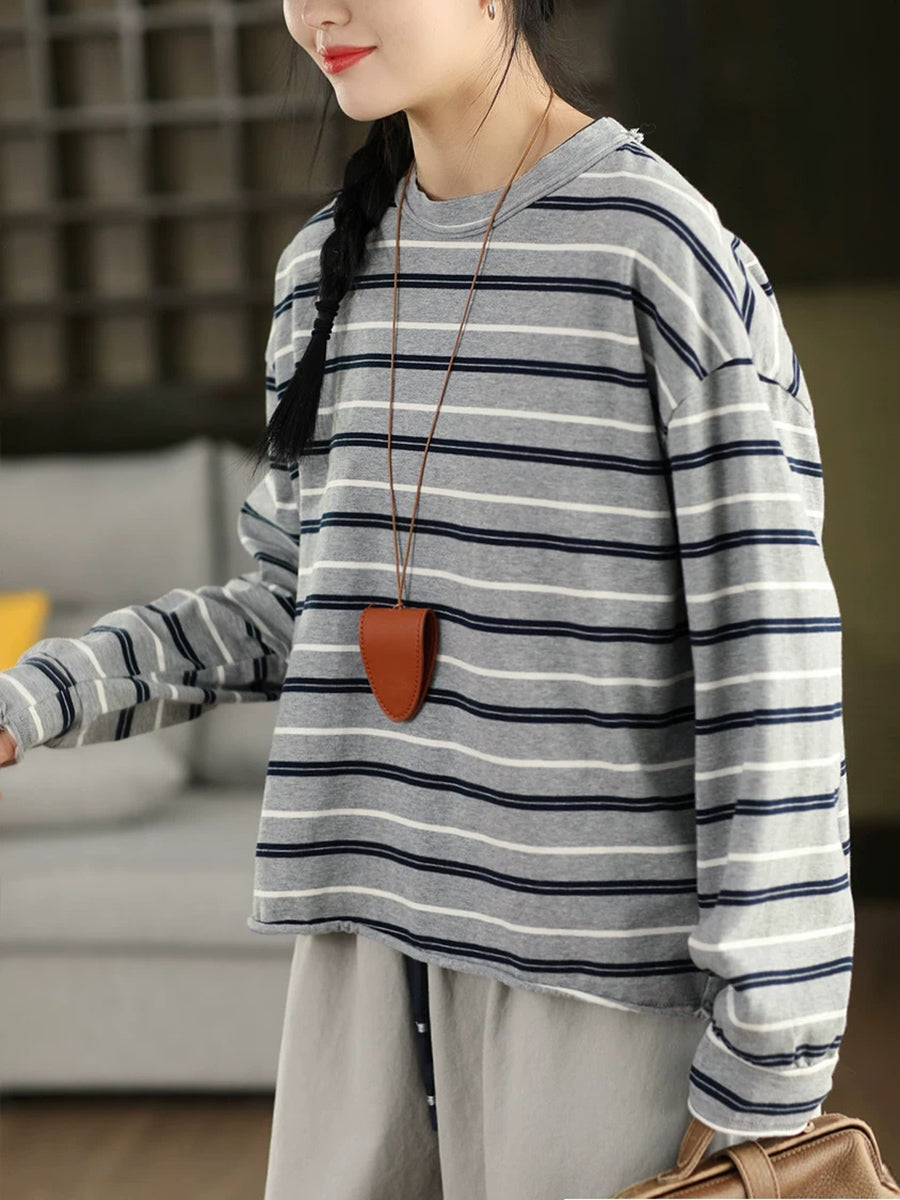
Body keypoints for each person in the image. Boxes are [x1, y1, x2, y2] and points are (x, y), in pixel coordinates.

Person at [0, 1, 848, 1196]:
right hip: (363, 952)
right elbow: (298, 609)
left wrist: (772, 1049)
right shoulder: (323, 271)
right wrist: (37, 696)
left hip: (594, 988)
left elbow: (772, 668)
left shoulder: (658, 256)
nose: (318, 11)